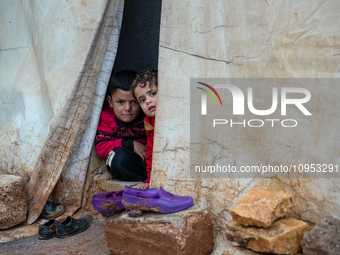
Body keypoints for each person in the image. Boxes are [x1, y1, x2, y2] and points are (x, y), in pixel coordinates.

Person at [95, 70, 148, 181]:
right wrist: (130, 144)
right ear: (110, 102)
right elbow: (101, 148)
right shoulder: (107, 117)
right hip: (131, 162)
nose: (127, 108)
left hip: (150, 160)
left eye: (134, 102)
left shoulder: (147, 115)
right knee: (117, 158)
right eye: (120, 102)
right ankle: (145, 180)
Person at [131, 69, 158, 189]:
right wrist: (149, 180)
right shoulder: (148, 122)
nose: (148, 101)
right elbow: (150, 151)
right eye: (142, 100)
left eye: (152, 94)